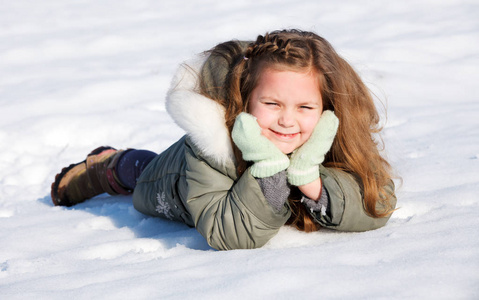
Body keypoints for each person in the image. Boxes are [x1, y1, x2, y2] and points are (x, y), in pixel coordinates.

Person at [51, 29, 397, 251]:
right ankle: (108, 166)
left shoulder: (328, 130)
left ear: (325, 107)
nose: (287, 120)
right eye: (272, 104)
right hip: (172, 182)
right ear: (246, 99)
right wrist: (271, 172)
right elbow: (226, 233)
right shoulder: (211, 145)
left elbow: (377, 202)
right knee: (140, 174)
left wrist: (313, 182)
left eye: (305, 106)